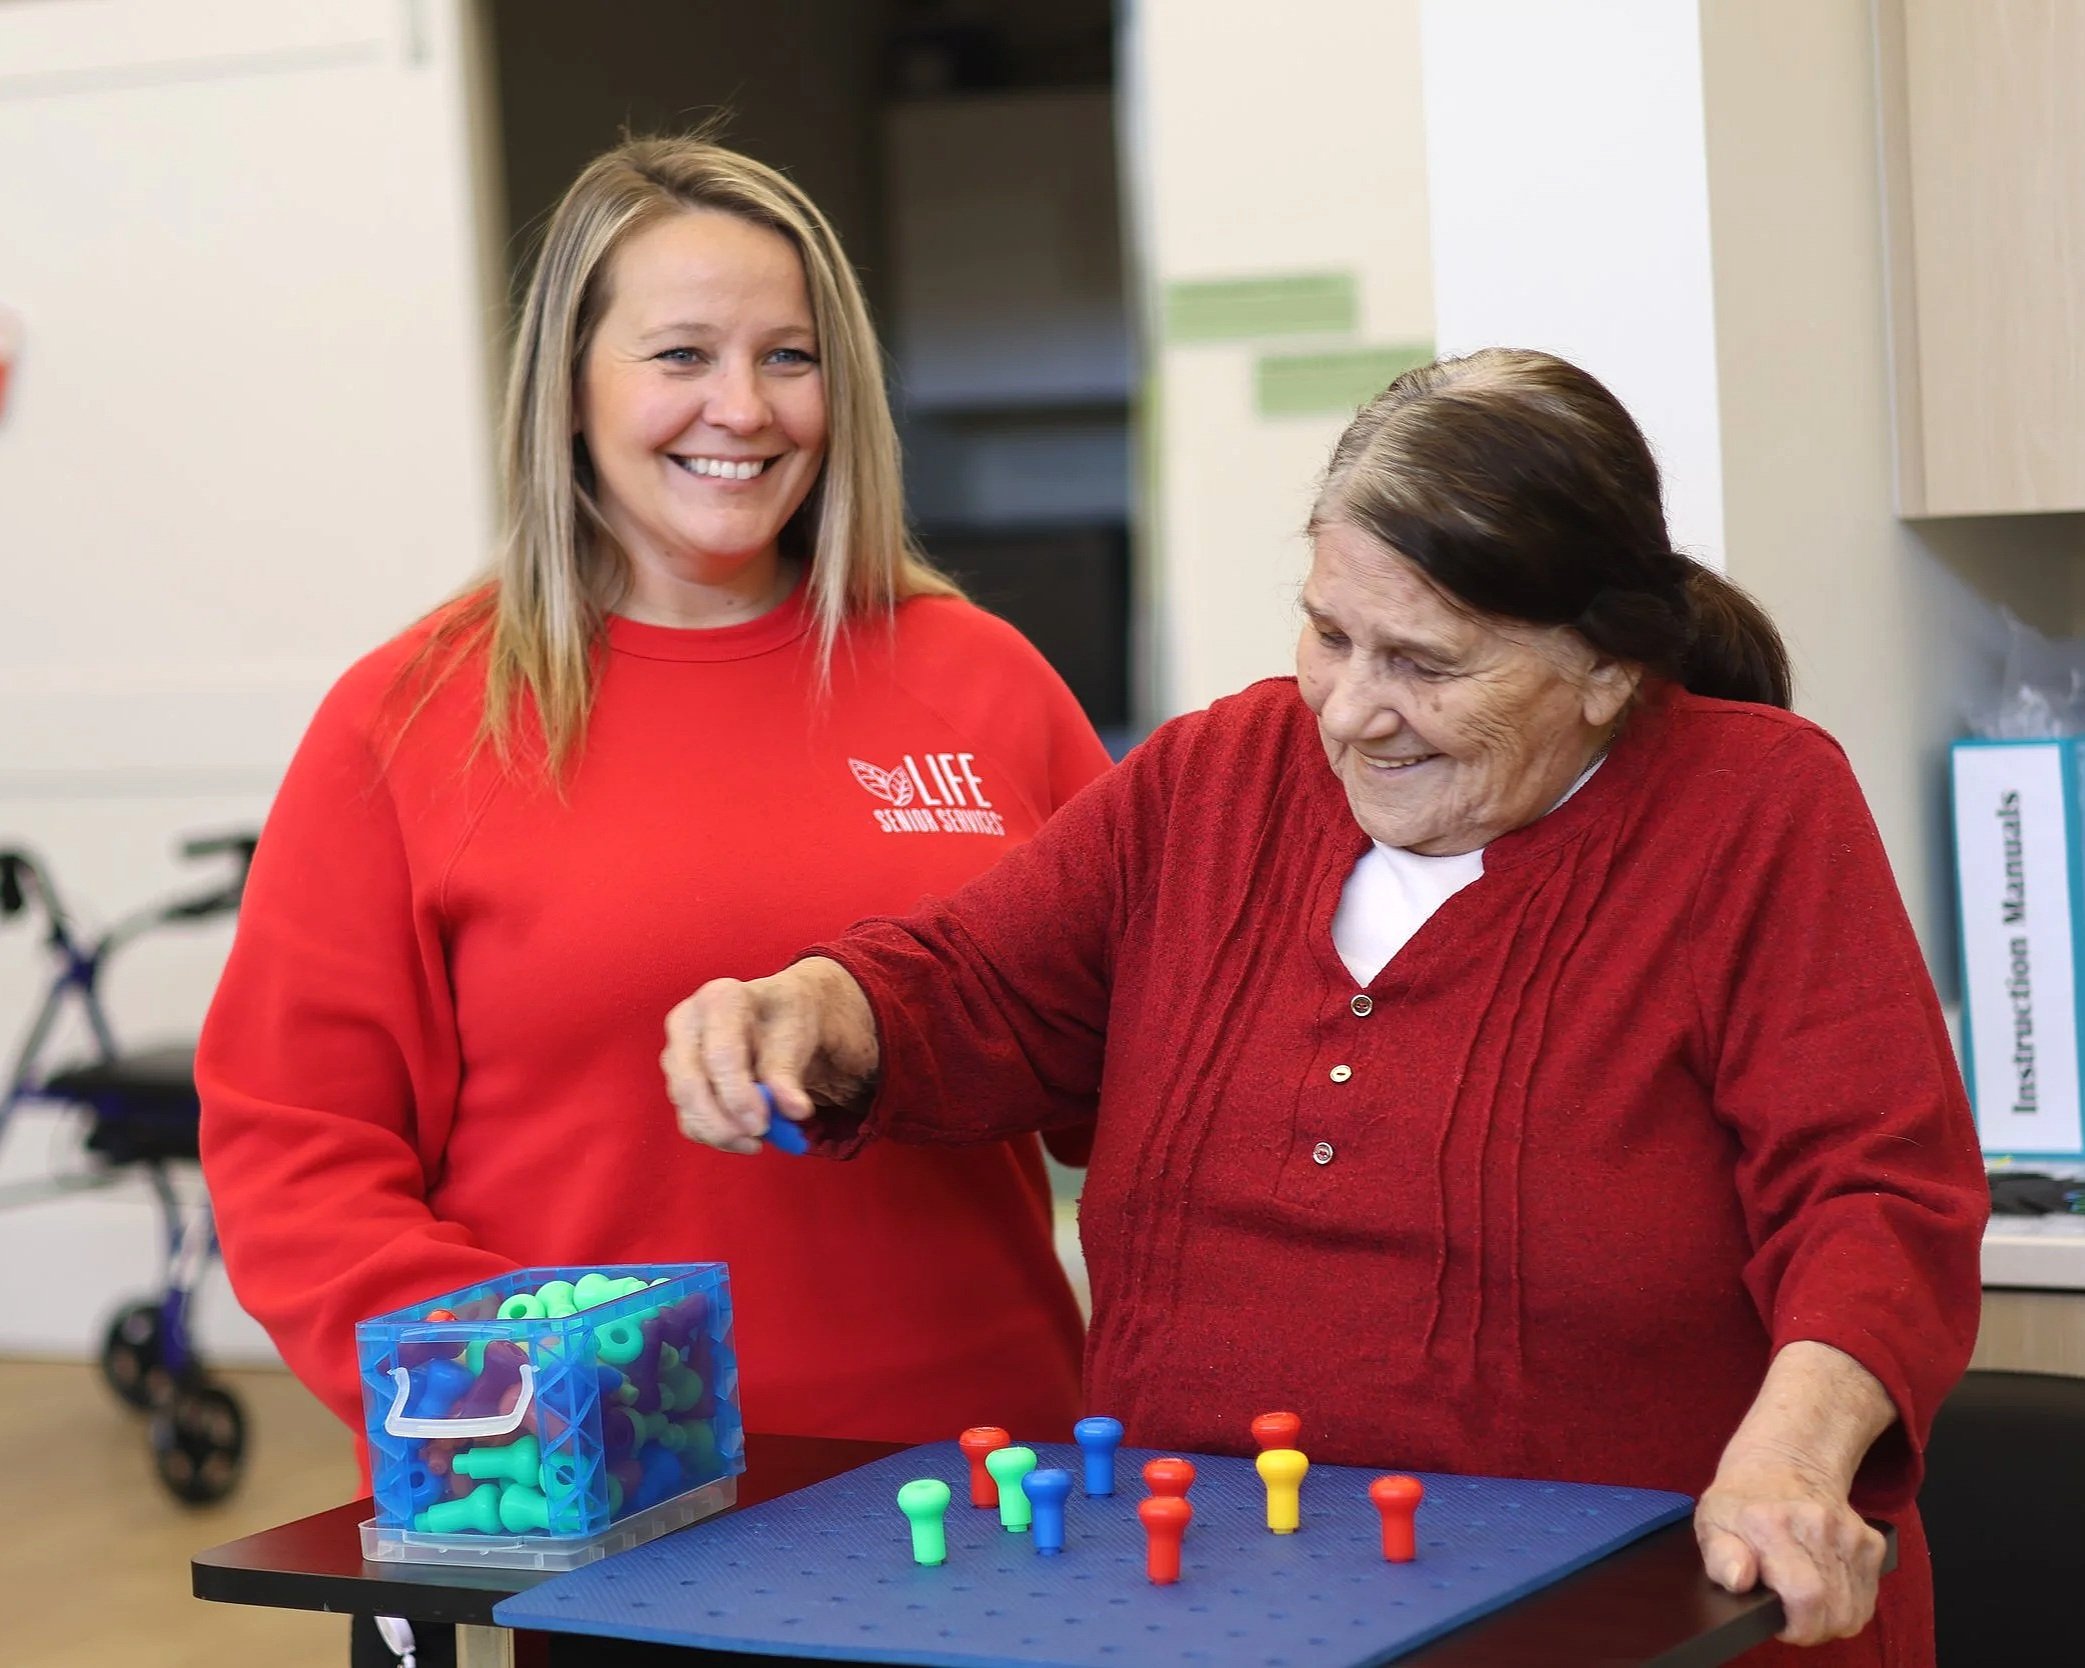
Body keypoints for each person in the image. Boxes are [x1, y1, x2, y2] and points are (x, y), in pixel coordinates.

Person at [662, 349, 1988, 1665]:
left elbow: (1873, 1197)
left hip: (1633, 1623)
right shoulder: (1208, 780)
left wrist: (1792, 1463)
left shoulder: (1753, 810)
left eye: (1424, 662)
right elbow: (968, 986)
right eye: (1329, 632)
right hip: (1211, 1618)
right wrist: (818, 1008)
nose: (1351, 712)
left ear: (1602, 668)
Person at [198, 135, 1107, 1659]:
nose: (741, 410)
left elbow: (1142, 1068)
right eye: (680, 354)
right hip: (618, 1525)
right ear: (569, 385)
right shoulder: (417, 715)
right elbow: (297, 1151)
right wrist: (528, 1409)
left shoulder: (980, 678)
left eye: (789, 357)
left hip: (991, 1497)